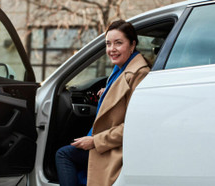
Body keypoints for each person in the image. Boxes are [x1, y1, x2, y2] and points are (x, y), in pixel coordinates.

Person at [55, 19, 150, 186]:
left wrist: (95, 141)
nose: (111, 49)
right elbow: (119, 96)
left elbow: (134, 126)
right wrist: (107, 94)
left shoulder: (139, 74)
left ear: (132, 44)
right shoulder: (120, 70)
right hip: (103, 139)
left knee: (63, 155)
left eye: (118, 43)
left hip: (113, 146)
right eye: (108, 44)